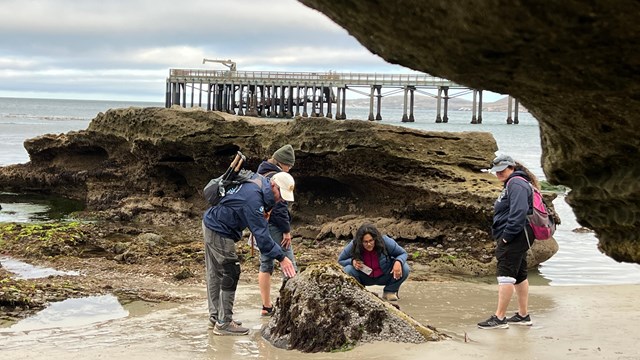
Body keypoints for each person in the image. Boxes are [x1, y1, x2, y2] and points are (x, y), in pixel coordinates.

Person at [202, 170, 297, 336]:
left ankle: (216, 316)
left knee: (215, 272)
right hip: (219, 229)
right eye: (280, 195)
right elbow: (263, 238)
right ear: (273, 185)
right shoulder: (253, 200)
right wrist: (282, 258)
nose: (281, 200)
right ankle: (224, 323)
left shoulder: (259, 181)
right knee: (231, 270)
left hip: (211, 223)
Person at [477, 154, 537, 329]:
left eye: (502, 170)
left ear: (512, 168)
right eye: (496, 171)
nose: (499, 174)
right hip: (520, 234)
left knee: (505, 274)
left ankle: (499, 318)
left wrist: (506, 236)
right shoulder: (516, 182)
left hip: (515, 234)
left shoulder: (516, 183)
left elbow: (519, 212)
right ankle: (523, 315)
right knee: (519, 274)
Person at [255, 144, 298, 317]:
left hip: (261, 223)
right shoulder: (277, 178)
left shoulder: (261, 172)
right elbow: (280, 208)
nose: (290, 169)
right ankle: (291, 306)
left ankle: (267, 306)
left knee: (265, 264)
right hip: (275, 226)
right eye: (290, 165)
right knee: (290, 266)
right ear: (283, 163)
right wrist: (286, 231)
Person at [338, 223, 410, 301]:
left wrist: (398, 262)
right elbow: (341, 260)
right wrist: (353, 261)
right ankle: (360, 291)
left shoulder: (385, 241)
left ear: (375, 239)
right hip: (364, 277)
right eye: (365, 242)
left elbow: (403, 253)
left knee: (404, 268)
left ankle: (390, 291)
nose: (369, 244)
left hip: (385, 275)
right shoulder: (354, 244)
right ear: (360, 241)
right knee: (348, 270)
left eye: (371, 240)